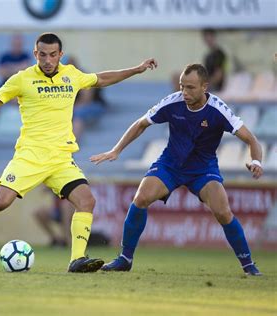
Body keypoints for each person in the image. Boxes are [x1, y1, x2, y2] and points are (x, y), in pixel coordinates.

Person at [0, 32, 157, 273]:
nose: (47, 60)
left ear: (60, 55)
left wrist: (136, 70)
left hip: (60, 158)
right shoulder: (22, 79)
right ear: (35, 54)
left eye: (52, 55)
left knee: (87, 200)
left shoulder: (72, 75)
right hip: (29, 156)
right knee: (1, 202)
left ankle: (77, 259)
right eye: (42, 54)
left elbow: (102, 78)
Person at [90, 63, 263, 276]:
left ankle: (248, 266)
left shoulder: (218, 110)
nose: (184, 92)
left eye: (190, 87)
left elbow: (250, 139)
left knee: (223, 212)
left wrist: (256, 162)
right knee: (141, 198)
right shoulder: (173, 102)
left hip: (203, 169)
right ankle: (125, 258)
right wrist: (116, 150)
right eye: (182, 86)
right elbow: (141, 123)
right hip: (171, 164)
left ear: (204, 87)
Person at [67, 56, 107, 140]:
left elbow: (86, 100)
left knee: (78, 113)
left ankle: (73, 142)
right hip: (75, 106)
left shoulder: (83, 76)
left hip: (94, 105)